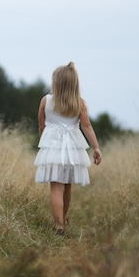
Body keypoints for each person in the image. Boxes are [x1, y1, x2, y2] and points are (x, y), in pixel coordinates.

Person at [34, 62, 102, 236]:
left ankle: (59, 226)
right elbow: (86, 126)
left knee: (56, 188)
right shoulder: (80, 104)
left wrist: (44, 144)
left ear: (56, 82)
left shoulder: (46, 101)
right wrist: (95, 147)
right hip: (72, 149)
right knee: (67, 186)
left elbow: (42, 126)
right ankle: (63, 218)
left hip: (52, 147)